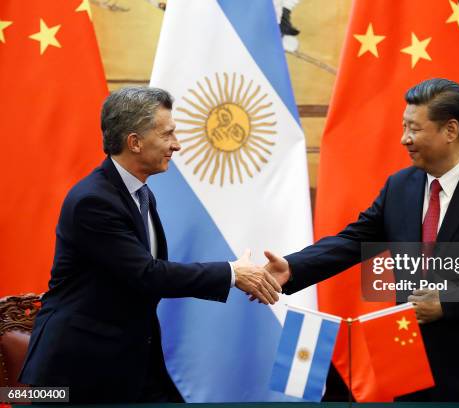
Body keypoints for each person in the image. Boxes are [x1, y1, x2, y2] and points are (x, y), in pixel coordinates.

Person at [264, 78, 459, 402]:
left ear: (450, 130)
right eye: (403, 126)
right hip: (413, 368)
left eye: (413, 128)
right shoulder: (400, 185)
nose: (403, 139)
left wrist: (447, 302)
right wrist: (293, 268)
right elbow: (354, 240)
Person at [19, 87, 281, 403]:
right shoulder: (94, 201)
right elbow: (147, 274)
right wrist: (231, 274)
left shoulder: (139, 194)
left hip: (130, 361)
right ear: (135, 142)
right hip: (74, 371)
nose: (177, 144)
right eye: (168, 134)